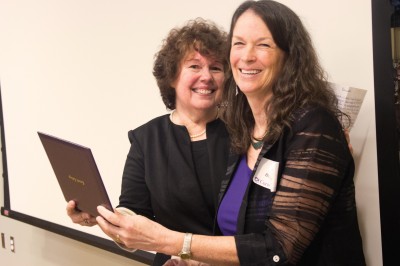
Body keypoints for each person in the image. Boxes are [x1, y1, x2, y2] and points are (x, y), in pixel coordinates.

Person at [95, 0, 366, 265]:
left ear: (289, 57)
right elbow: (240, 234)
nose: (247, 56)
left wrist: (175, 243)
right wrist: (198, 259)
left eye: (263, 45)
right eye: (238, 43)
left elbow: (279, 250)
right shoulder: (244, 127)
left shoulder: (313, 125)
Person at [66, 18, 230, 265]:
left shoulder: (245, 133)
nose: (206, 76)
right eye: (195, 66)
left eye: (216, 68)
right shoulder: (146, 138)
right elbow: (134, 210)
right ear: (172, 77)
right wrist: (101, 217)